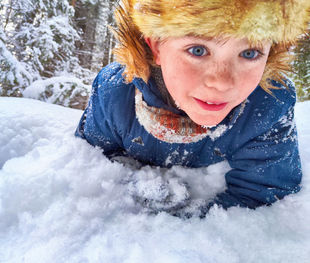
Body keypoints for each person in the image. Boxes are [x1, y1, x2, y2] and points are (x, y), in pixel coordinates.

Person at [75, 0, 310, 215]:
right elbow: (92, 160)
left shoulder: (268, 103)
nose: (222, 83)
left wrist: (188, 220)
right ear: (156, 46)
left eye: (249, 53)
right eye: (198, 50)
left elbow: (264, 191)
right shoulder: (115, 93)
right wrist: (132, 188)